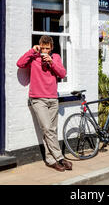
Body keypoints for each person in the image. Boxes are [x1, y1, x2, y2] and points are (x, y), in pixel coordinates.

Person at [16, 35, 72, 172]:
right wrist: (32, 51)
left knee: (51, 130)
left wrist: (52, 62)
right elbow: (20, 64)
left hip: (53, 98)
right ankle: (60, 157)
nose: (45, 51)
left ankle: (50, 160)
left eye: (47, 48)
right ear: (39, 46)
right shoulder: (34, 57)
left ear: (52, 48)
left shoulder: (56, 57)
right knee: (47, 128)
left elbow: (63, 74)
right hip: (38, 98)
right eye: (43, 48)